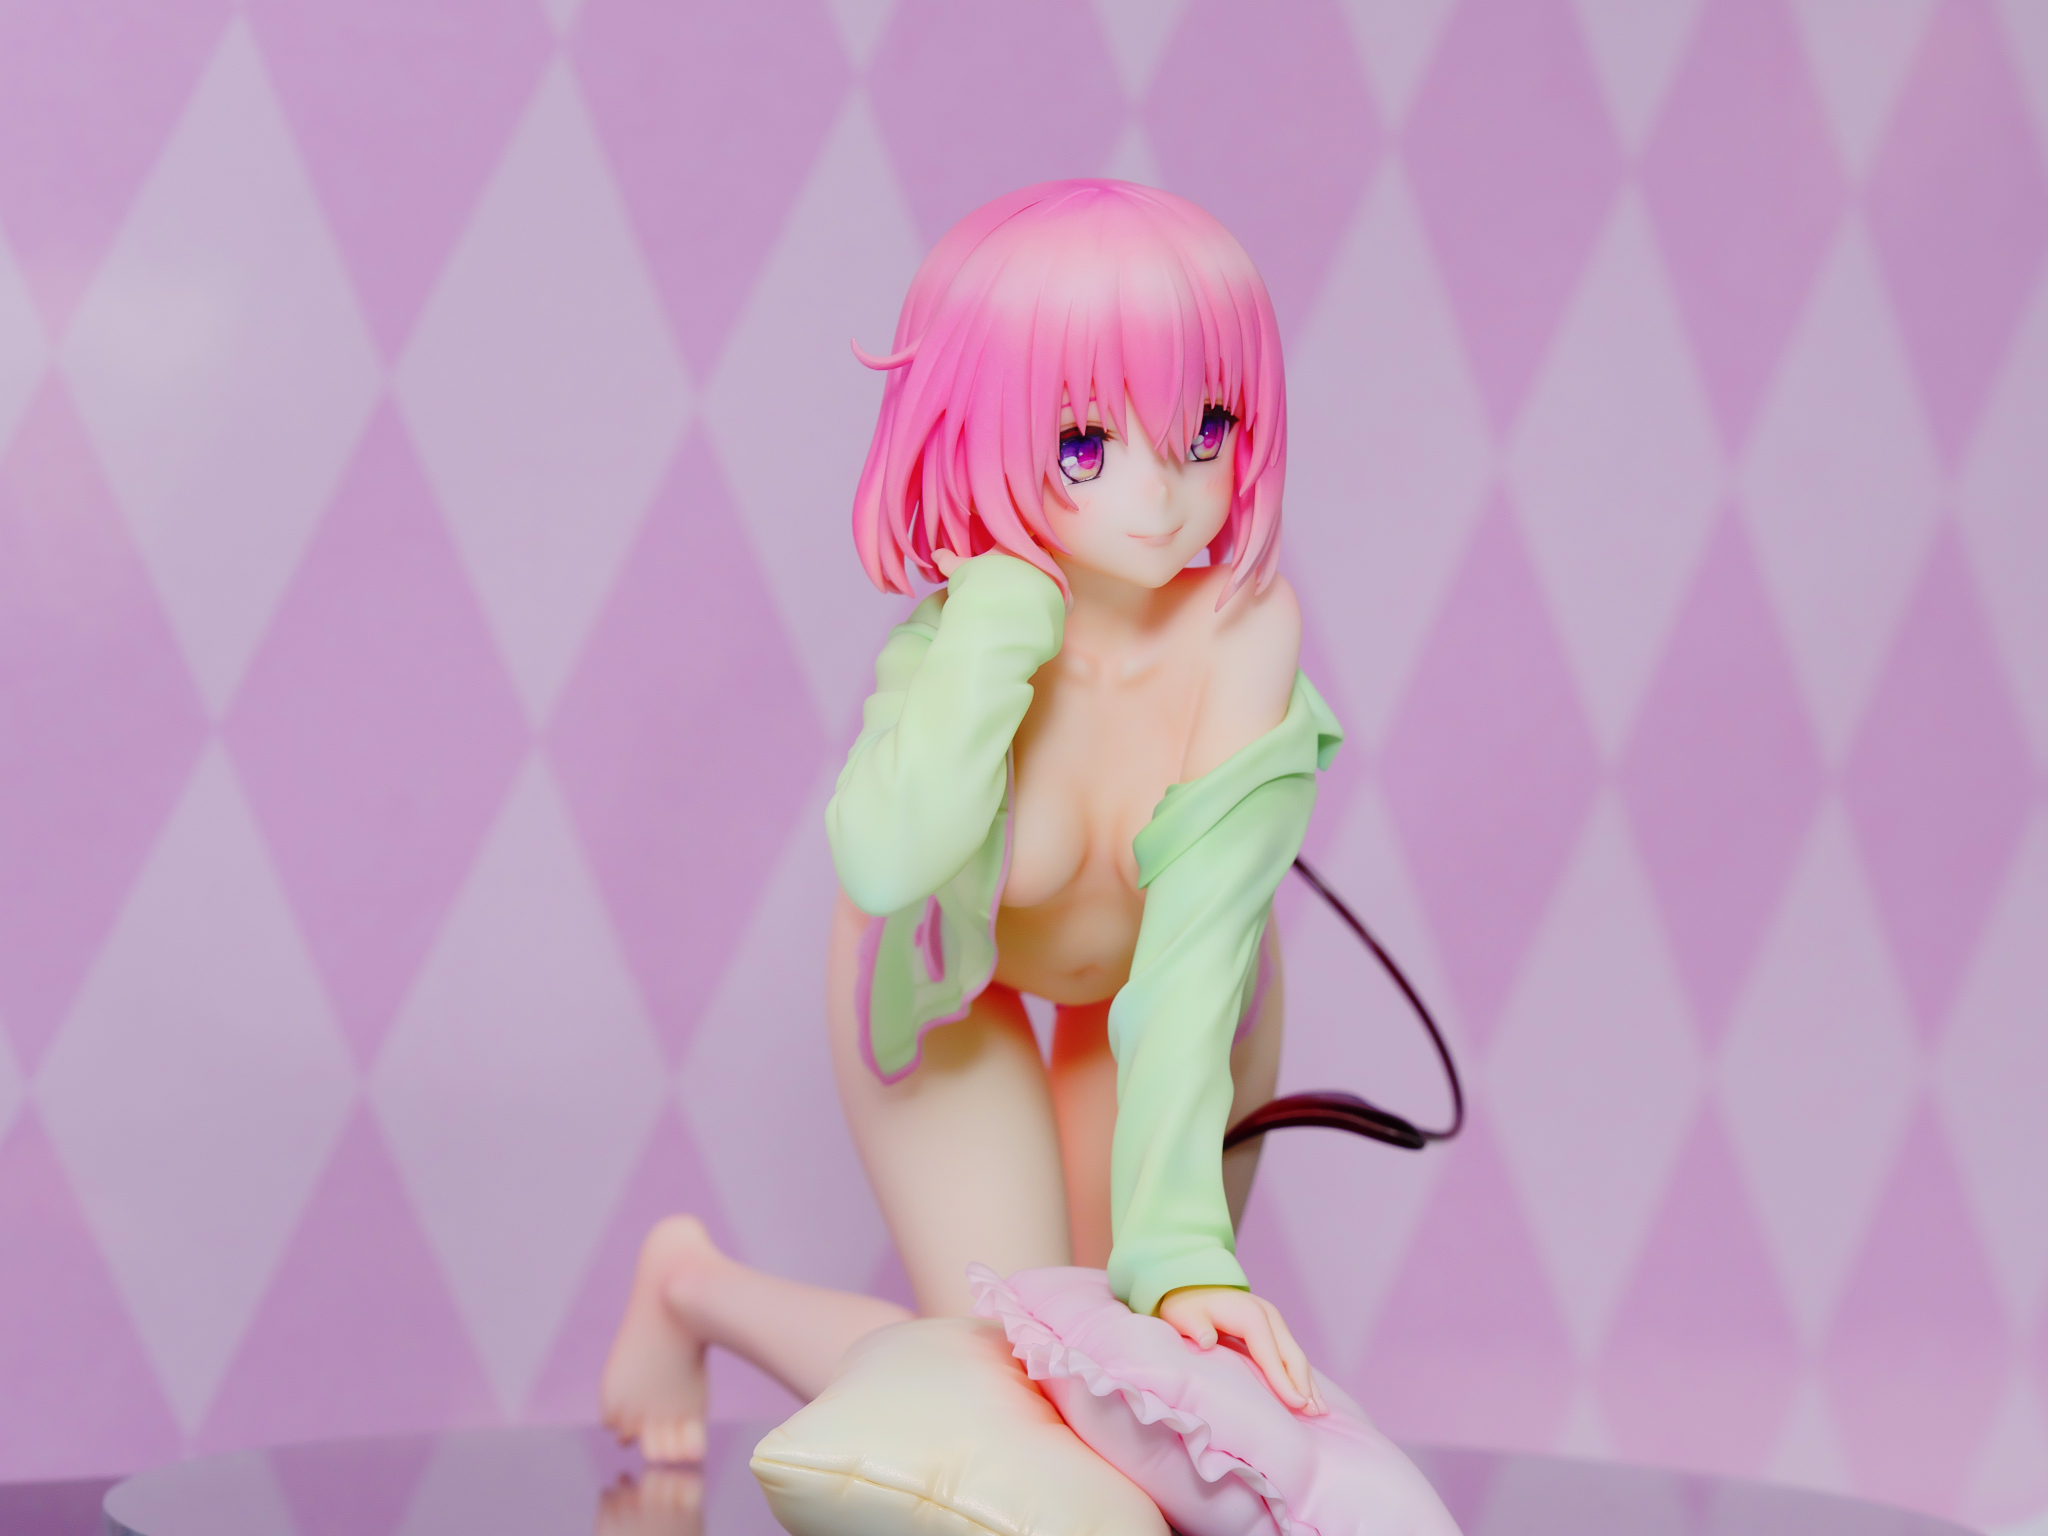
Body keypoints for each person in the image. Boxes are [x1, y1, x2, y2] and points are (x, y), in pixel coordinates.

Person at [601, 180, 1342, 1464]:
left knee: (1138, 1392)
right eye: (1083, 444)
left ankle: (1114, 1309)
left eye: (1206, 426)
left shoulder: (1243, 629)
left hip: (1185, 990)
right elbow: (887, 856)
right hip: (947, 981)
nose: (1160, 496)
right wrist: (998, 617)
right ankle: (691, 1288)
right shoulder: (960, 642)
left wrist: (1179, 1256)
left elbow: (1199, 942)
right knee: (1007, 1390)